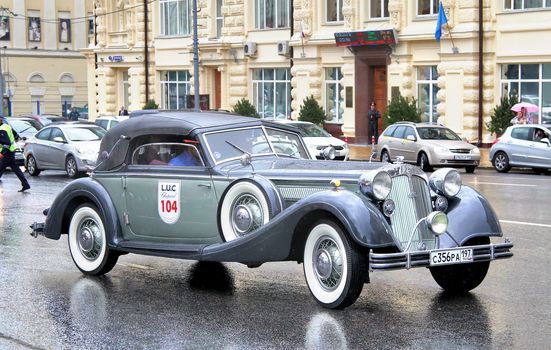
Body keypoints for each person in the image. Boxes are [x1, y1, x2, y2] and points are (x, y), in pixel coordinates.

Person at [0, 118, 31, 192]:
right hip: (10, 152)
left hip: (6, 153)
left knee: (1, 168)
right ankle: (25, 185)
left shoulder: (2, 130)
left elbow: (7, 143)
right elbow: (16, 136)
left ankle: (26, 184)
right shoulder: (6, 126)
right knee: (16, 169)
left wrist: (2, 153)